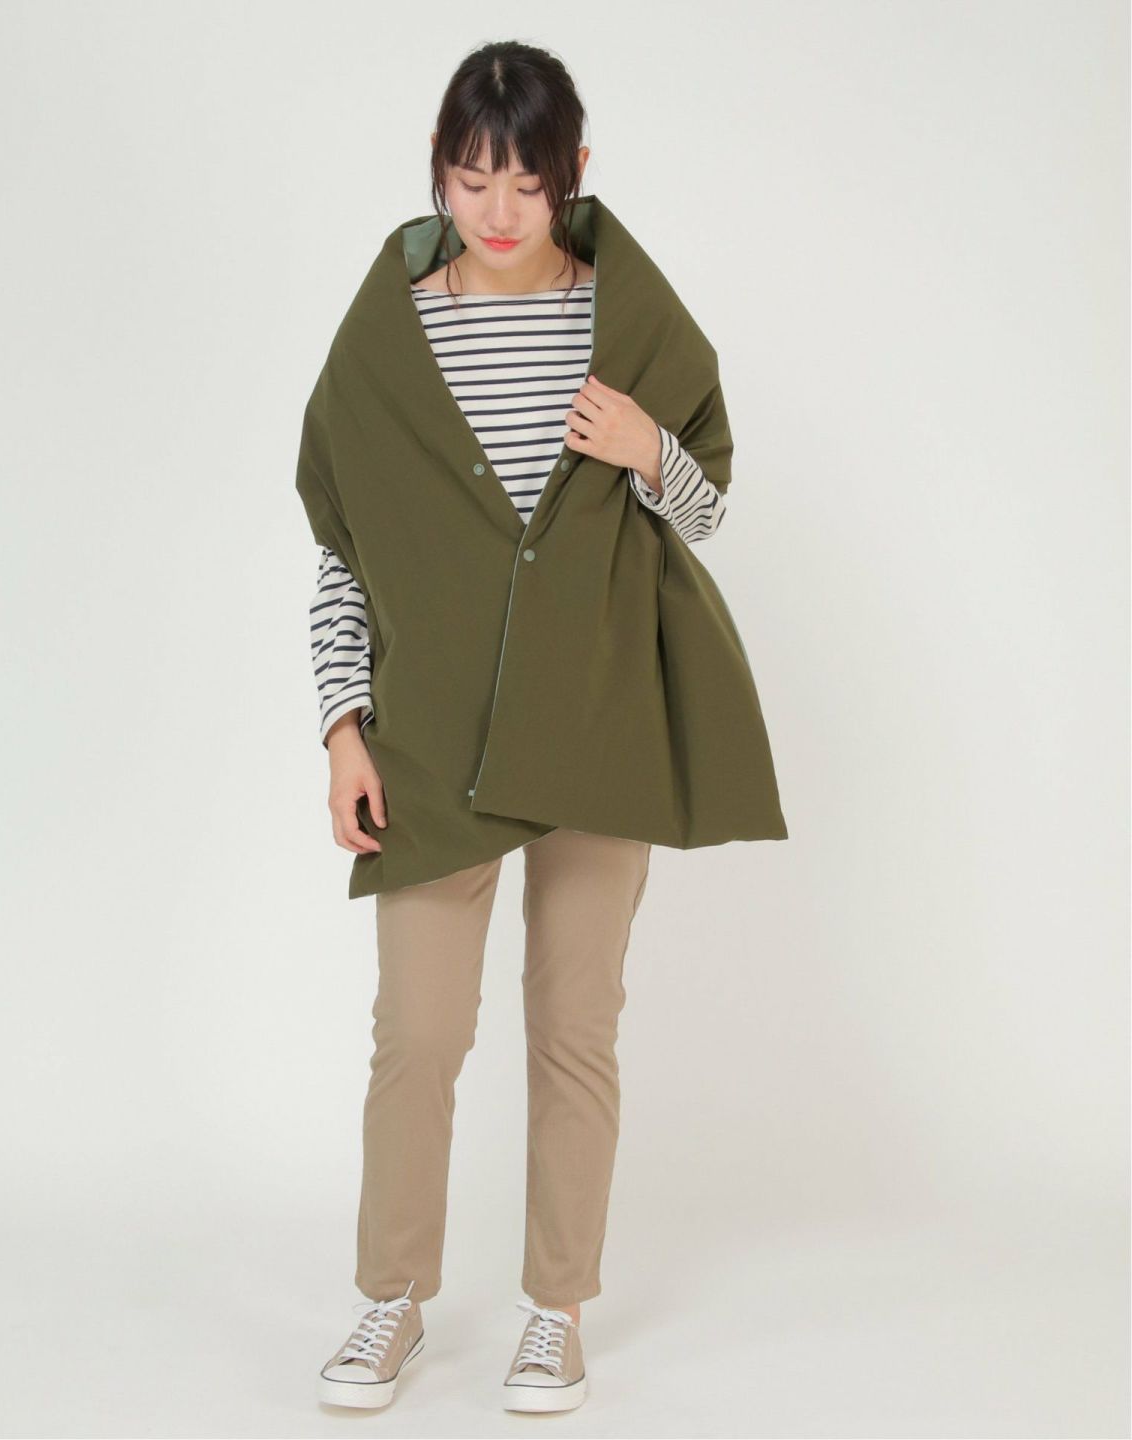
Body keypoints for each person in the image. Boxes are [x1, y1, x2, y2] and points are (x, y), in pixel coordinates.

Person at [301, 39, 785, 1414]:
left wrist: (647, 450)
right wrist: (342, 726)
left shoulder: (625, 318)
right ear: (438, 173)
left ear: (574, 172)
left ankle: (554, 1311)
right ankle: (390, 1299)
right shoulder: (389, 334)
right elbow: (344, 550)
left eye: (527, 181)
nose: (500, 211)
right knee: (418, 1032)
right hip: (432, 733)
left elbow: (704, 512)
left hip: (593, 715)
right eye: (472, 181)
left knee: (576, 1027)